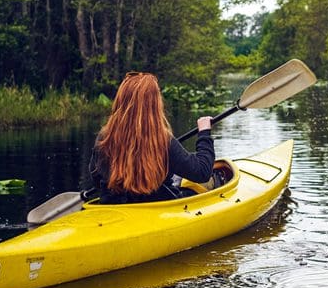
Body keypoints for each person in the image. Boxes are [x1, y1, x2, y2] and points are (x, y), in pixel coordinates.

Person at [89, 71, 226, 204]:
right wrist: (204, 133)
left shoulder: (104, 137)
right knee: (201, 186)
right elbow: (202, 172)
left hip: (114, 208)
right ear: (154, 104)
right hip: (159, 208)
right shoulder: (162, 140)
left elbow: (96, 179)